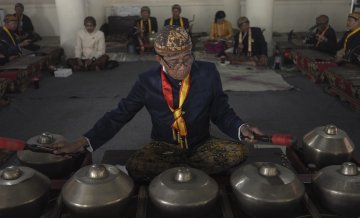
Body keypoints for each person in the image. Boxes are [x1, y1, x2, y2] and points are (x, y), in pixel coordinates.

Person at [53, 25, 263, 181]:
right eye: (173, 61)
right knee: (137, 167)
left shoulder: (208, 73)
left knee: (240, 151)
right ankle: (190, 171)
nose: (182, 67)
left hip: (201, 143)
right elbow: (119, 115)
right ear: (160, 60)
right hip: (164, 146)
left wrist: (241, 127)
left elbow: (221, 112)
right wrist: (81, 142)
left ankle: (178, 171)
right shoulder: (147, 81)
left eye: (187, 59)